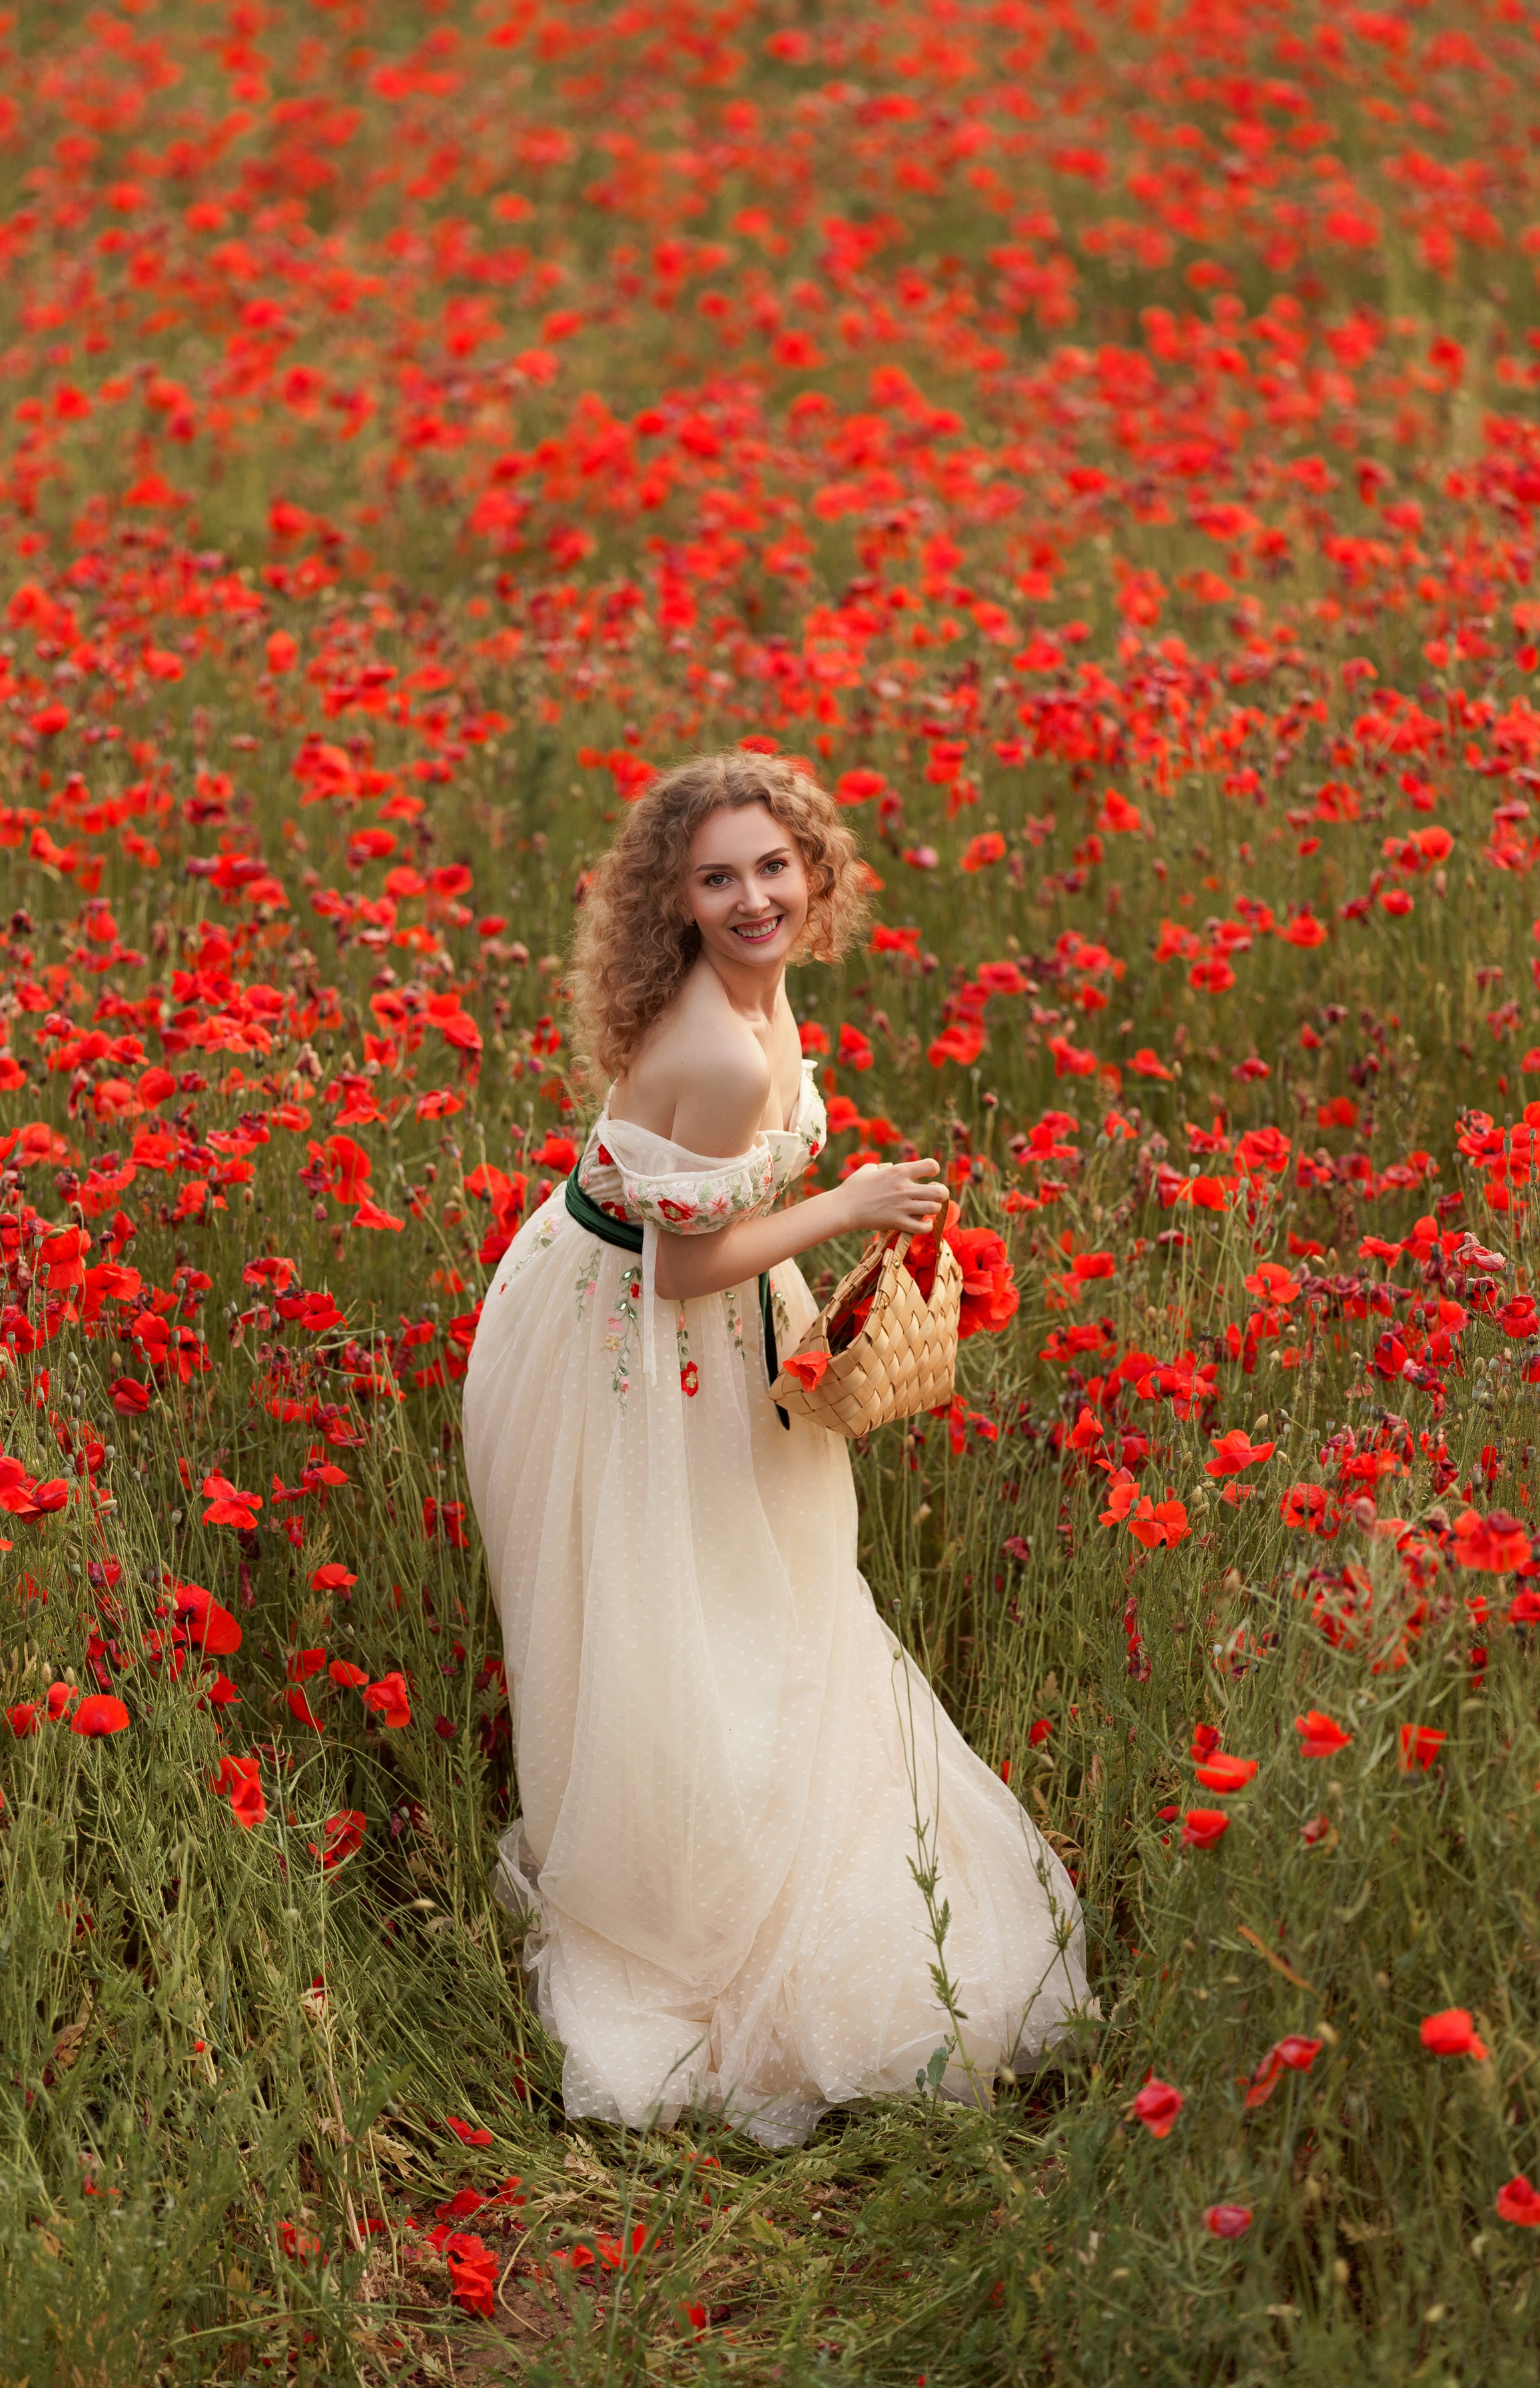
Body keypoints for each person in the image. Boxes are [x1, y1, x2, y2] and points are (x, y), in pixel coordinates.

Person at [462, 752, 1089, 2148]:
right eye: (715, 878)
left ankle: (741, 1840)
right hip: (636, 1341)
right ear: (672, 903)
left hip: (641, 1305)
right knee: (704, 1614)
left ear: (811, 872)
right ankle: (699, 1905)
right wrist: (848, 1202)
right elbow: (685, 1268)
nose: (752, 898)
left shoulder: (760, 991)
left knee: (771, 1589)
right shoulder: (720, 1049)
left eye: (772, 868)